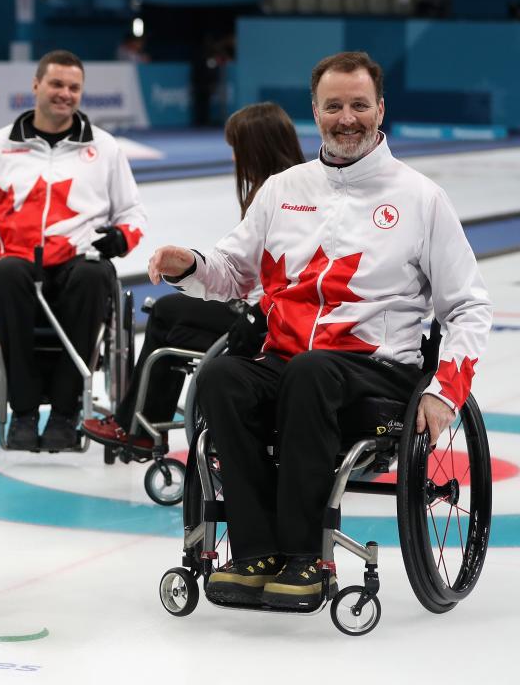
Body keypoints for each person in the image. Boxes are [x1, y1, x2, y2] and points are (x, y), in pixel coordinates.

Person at [147, 51, 492, 610]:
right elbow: (233, 272)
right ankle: (255, 553)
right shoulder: (284, 189)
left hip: (376, 373)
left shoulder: (420, 198)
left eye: (359, 105)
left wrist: (444, 390)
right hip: (290, 364)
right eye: (334, 106)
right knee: (221, 379)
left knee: (310, 372)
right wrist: (189, 263)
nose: (347, 118)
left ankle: (306, 557)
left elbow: (468, 307)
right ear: (316, 110)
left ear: (381, 109)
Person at [0, 49, 147, 452]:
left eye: (74, 87)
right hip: (17, 263)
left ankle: (65, 412)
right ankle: (22, 414)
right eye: (56, 84)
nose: (65, 93)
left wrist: (121, 238)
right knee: (4, 274)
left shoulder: (105, 148)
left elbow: (133, 213)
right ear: (36, 85)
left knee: (95, 275)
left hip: (79, 263)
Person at [83, 102, 306, 448]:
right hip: (265, 312)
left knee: (167, 315)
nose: (234, 160)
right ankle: (139, 425)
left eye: (237, 150)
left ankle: (137, 428)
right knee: (171, 316)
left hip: (267, 322)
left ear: (256, 149)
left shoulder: (279, 194)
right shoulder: (287, 189)